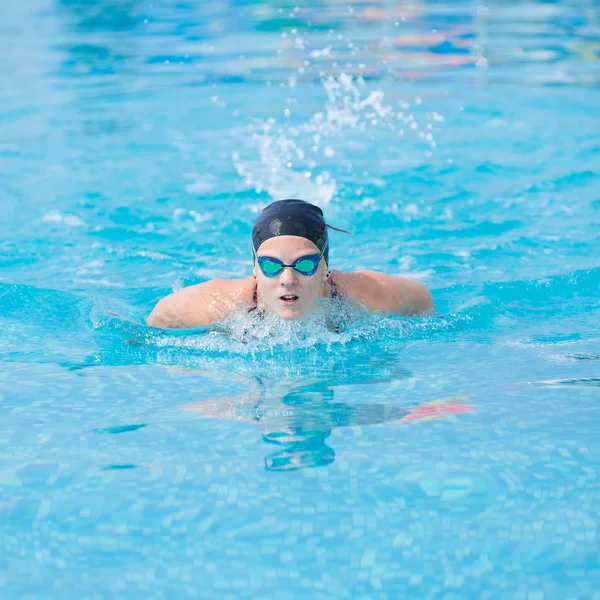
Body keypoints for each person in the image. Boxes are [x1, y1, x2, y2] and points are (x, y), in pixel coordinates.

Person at [147, 198, 434, 329]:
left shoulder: (363, 295)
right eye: (272, 266)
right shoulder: (219, 304)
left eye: (304, 264)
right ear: (255, 271)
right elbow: (158, 318)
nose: (287, 278)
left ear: (325, 270)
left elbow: (420, 296)